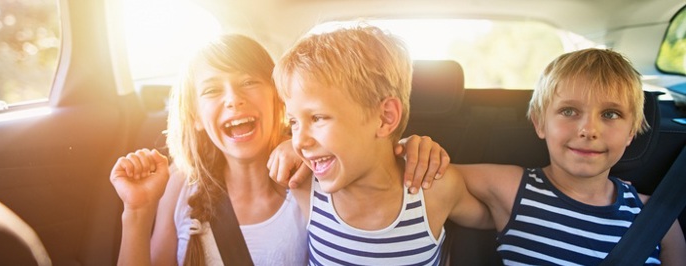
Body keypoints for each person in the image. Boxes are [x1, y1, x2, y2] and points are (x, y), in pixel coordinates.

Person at [109, 34, 450, 266]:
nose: (233, 99)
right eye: (212, 91)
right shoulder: (181, 185)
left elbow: (370, 165)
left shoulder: (316, 180)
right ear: (196, 117)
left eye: (248, 82)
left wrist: (406, 149)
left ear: (280, 100)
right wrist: (137, 212)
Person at [273, 25, 492, 265]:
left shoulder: (434, 191)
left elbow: (498, 217)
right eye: (293, 121)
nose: (299, 141)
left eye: (317, 118)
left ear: (385, 118)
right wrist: (281, 146)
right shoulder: (303, 186)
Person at [453, 48, 686, 265]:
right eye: (569, 111)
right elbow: (436, 173)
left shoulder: (656, 217)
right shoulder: (514, 189)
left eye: (610, 114)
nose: (589, 130)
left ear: (631, 132)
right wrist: (421, 149)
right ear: (540, 123)